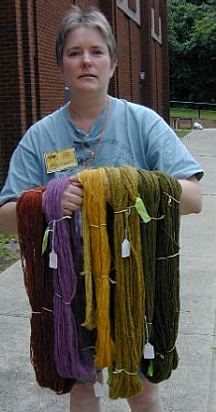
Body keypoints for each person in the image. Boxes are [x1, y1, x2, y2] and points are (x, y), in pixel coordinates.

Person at [0, 5, 203, 412]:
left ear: (112, 62)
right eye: (75, 52)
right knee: (80, 388)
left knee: (141, 389)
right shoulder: (41, 137)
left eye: (96, 51)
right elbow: (6, 218)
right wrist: (48, 200)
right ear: (61, 64)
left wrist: (125, 187)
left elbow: (193, 197)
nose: (86, 61)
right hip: (68, 282)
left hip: (135, 279)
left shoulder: (142, 122)